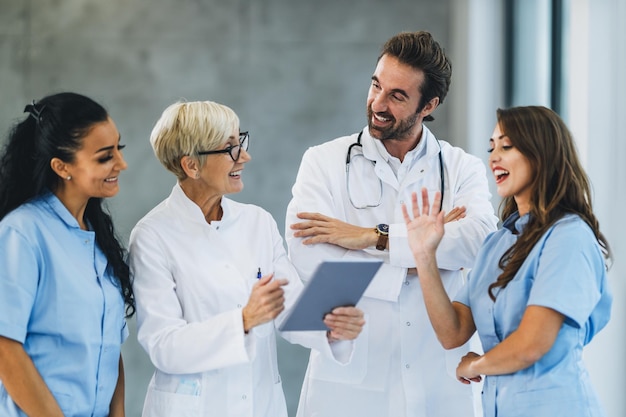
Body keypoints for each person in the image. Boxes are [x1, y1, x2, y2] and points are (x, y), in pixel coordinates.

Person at [285, 31, 498, 417]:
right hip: (350, 384)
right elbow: (310, 259)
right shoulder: (324, 162)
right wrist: (426, 257)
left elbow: (479, 242)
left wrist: (370, 238)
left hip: (438, 379)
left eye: (397, 96)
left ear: (428, 104)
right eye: (376, 85)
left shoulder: (460, 168)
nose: (378, 104)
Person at [129, 100, 365, 417]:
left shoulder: (257, 222)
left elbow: (291, 307)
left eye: (241, 142)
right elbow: (164, 346)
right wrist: (243, 321)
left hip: (259, 404)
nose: (245, 156)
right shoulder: (152, 236)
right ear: (191, 166)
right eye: (230, 149)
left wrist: (332, 327)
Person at [402, 105, 613, 417]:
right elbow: (453, 332)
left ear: (540, 153)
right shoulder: (497, 244)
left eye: (507, 146)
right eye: (492, 147)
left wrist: (475, 364)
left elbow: (532, 343)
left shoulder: (569, 237)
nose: (493, 157)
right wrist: (424, 257)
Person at [0, 92, 134, 417]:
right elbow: (5, 348)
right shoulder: (22, 233)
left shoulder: (97, 238)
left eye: (119, 148)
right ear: (62, 167)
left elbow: (107, 349)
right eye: (105, 157)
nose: (121, 163)